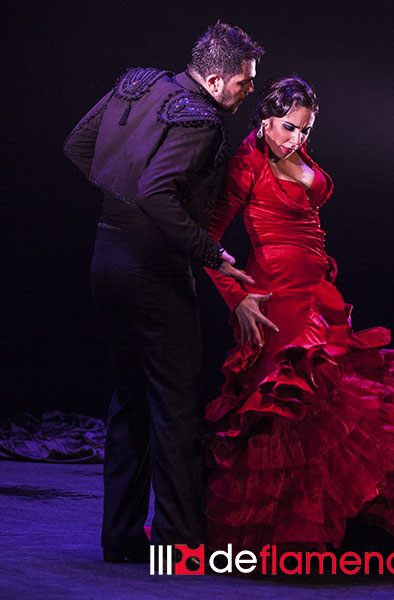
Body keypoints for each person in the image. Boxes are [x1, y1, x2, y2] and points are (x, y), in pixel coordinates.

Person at [202, 77, 394, 565]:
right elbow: (208, 239)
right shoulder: (247, 163)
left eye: (305, 130)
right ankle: (278, 535)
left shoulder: (300, 157)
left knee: (338, 406)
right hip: (275, 295)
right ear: (264, 118)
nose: (296, 139)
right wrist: (236, 297)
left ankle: (339, 526)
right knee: (289, 405)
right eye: (288, 127)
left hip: (319, 292)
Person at [63, 23, 264, 562]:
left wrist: (124, 205)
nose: (248, 92)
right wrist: (212, 252)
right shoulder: (201, 121)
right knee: (174, 407)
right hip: (154, 273)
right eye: (244, 83)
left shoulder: (138, 84)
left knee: (129, 400)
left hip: (105, 260)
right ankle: (179, 548)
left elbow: (80, 146)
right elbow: (156, 190)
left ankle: (122, 538)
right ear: (216, 78)